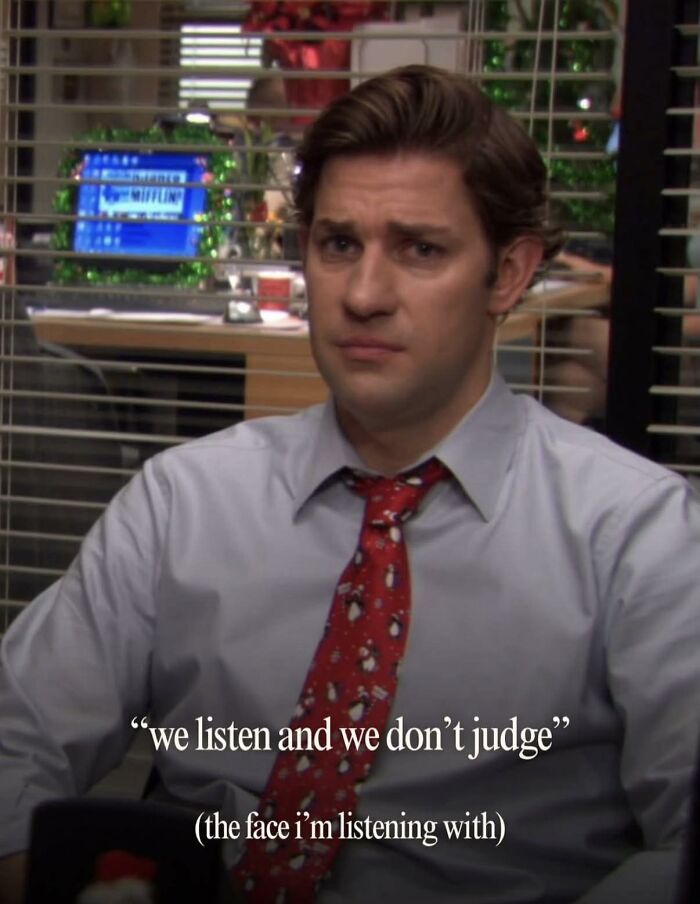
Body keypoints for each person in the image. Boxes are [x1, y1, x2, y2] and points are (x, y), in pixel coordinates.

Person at [1, 64, 700, 904]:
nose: (364, 294)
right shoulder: (181, 505)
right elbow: (17, 732)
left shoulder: (637, 536)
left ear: (508, 274)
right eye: (339, 245)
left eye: (421, 249)